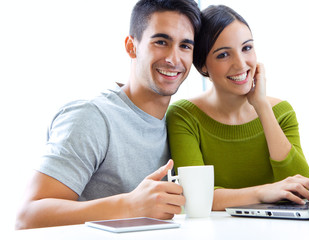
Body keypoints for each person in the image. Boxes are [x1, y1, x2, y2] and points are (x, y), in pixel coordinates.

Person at [15, 0, 201, 229]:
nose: (174, 58)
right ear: (131, 46)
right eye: (161, 42)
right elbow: (27, 216)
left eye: (185, 46)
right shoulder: (91, 117)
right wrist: (130, 205)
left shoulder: (179, 124)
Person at [166, 5, 309, 211]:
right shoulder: (184, 115)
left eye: (246, 48)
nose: (241, 64)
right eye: (223, 55)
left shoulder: (281, 111)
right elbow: (197, 196)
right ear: (203, 66)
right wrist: (263, 192)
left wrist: (262, 107)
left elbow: (305, 188)